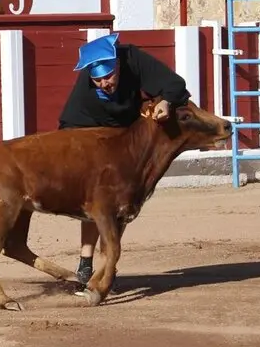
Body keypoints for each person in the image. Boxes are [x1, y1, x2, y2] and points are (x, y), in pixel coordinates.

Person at [57, 32, 192, 292]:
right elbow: (71, 127)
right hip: (94, 137)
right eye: (97, 80)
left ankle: (107, 262)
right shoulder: (86, 90)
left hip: (129, 134)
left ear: (117, 64)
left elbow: (175, 84)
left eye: (108, 76)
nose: (104, 83)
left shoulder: (133, 59)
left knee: (123, 204)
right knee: (96, 199)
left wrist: (165, 101)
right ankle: (86, 260)